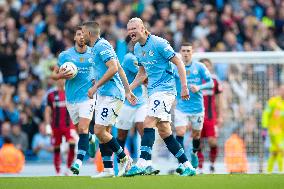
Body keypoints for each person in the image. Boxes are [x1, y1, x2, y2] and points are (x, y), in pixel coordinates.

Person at [125, 17, 195, 177]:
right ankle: (187, 165)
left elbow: (179, 63)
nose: (131, 32)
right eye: (129, 29)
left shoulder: (159, 43)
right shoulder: (137, 49)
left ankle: (142, 162)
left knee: (148, 122)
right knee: (165, 132)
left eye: (134, 28)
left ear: (142, 28)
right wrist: (128, 90)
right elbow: (142, 73)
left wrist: (184, 86)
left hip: (166, 90)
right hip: (153, 92)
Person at [81, 21, 136, 178]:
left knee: (98, 130)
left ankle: (125, 158)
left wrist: (95, 86)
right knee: (103, 132)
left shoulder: (101, 46)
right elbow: (118, 67)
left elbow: (113, 68)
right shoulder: (95, 49)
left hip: (112, 95)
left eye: (83, 33)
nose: (81, 36)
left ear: (90, 34)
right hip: (106, 94)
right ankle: (107, 169)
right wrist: (128, 90)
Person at [50, 26, 96, 175]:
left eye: (84, 34)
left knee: (82, 128)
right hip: (71, 99)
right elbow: (53, 75)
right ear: (75, 38)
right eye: (78, 34)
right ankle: (90, 138)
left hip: (87, 97)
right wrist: (60, 76)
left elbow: (102, 71)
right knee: (81, 130)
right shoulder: (65, 55)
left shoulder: (94, 54)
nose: (81, 37)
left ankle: (78, 162)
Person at [115, 37, 159, 175]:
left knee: (144, 128)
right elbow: (144, 77)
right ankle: (122, 164)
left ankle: (147, 163)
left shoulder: (144, 58)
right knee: (122, 135)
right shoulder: (129, 58)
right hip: (126, 103)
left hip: (140, 101)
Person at [173, 43, 214, 174]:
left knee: (196, 135)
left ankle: (194, 153)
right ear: (180, 52)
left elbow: (211, 83)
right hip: (181, 107)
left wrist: (199, 87)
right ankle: (182, 162)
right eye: (183, 51)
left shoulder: (200, 67)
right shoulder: (175, 67)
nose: (186, 53)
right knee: (180, 132)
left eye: (188, 51)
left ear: (192, 52)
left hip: (197, 108)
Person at [45, 78, 75, 175]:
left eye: (63, 79)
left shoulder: (71, 93)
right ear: (56, 81)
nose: (61, 81)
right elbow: (47, 111)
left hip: (69, 125)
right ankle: (58, 172)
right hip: (56, 126)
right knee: (56, 148)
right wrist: (47, 125)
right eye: (60, 79)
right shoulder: (51, 95)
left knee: (72, 144)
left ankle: (68, 168)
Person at [198, 58, 223, 173]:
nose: (206, 68)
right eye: (203, 66)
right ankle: (200, 167)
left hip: (210, 116)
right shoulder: (195, 79)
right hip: (196, 116)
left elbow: (219, 99)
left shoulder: (214, 80)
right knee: (198, 142)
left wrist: (220, 115)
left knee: (212, 141)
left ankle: (212, 164)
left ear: (210, 67)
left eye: (207, 66)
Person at [262, 85, 284, 173]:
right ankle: (281, 172)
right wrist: (264, 127)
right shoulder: (273, 101)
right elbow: (266, 114)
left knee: (274, 153)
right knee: (281, 150)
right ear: (279, 90)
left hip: (282, 132)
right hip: (274, 131)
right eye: (282, 89)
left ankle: (269, 172)